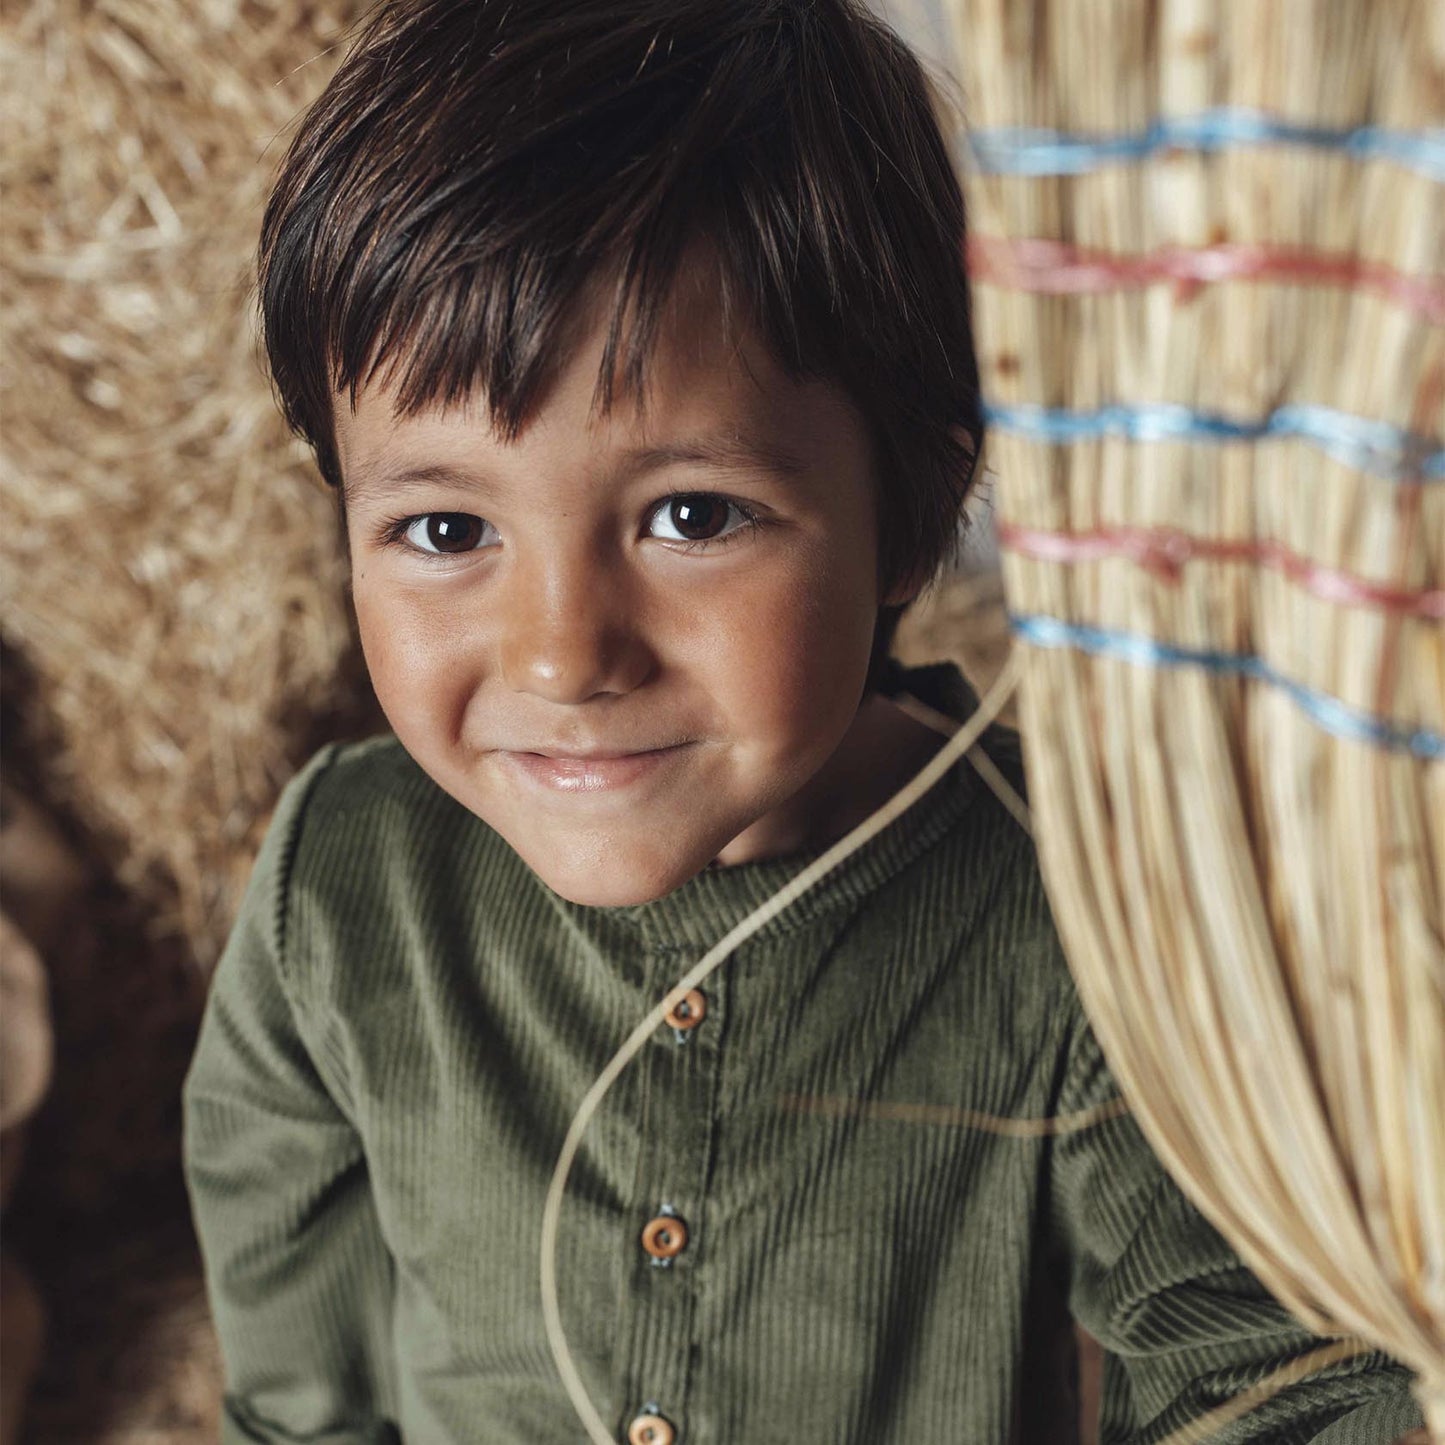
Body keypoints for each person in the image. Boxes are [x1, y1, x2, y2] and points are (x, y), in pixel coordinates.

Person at [181, 1, 1426, 1441]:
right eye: (446, 524)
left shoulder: (1079, 911)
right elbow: (302, 1403)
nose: (561, 652)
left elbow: (1269, 1384)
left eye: (690, 515)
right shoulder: (336, 889)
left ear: (907, 515)